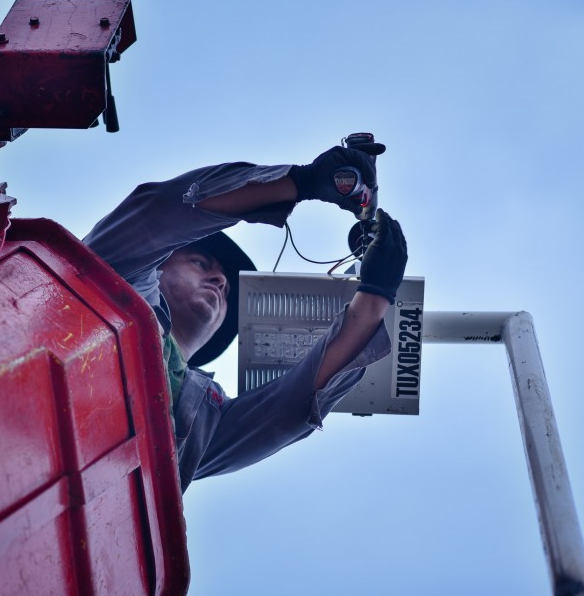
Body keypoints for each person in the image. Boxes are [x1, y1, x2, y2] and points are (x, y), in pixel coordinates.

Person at [83, 144, 408, 492]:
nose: (221, 281)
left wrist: (374, 297)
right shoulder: (114, 284)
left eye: (225, 288)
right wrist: (301, 181)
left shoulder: (205, 419)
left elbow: (286, 414)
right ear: (157, 266)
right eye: (200, 263)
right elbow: (159, 216)